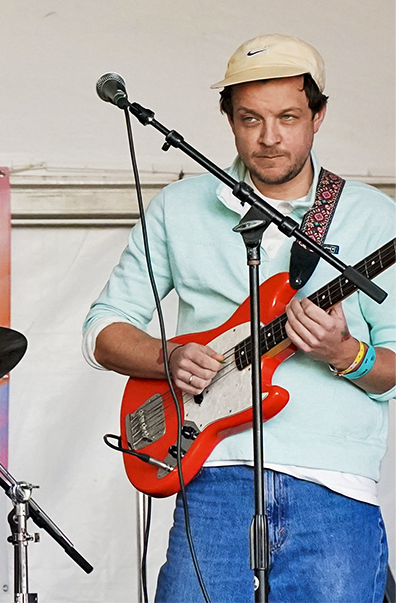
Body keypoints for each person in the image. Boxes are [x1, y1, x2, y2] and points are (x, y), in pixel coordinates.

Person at [84, 34, 395, 602]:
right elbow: (104, 329)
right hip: (210, 476)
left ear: (318, 116)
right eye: (250, 118)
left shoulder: (374, 218)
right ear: (227, 118)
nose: (269, 137)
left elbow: (393, 367)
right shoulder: (180, 208)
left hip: (333, 489)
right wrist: (168, 355)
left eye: (288, 117)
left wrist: (342, 353)